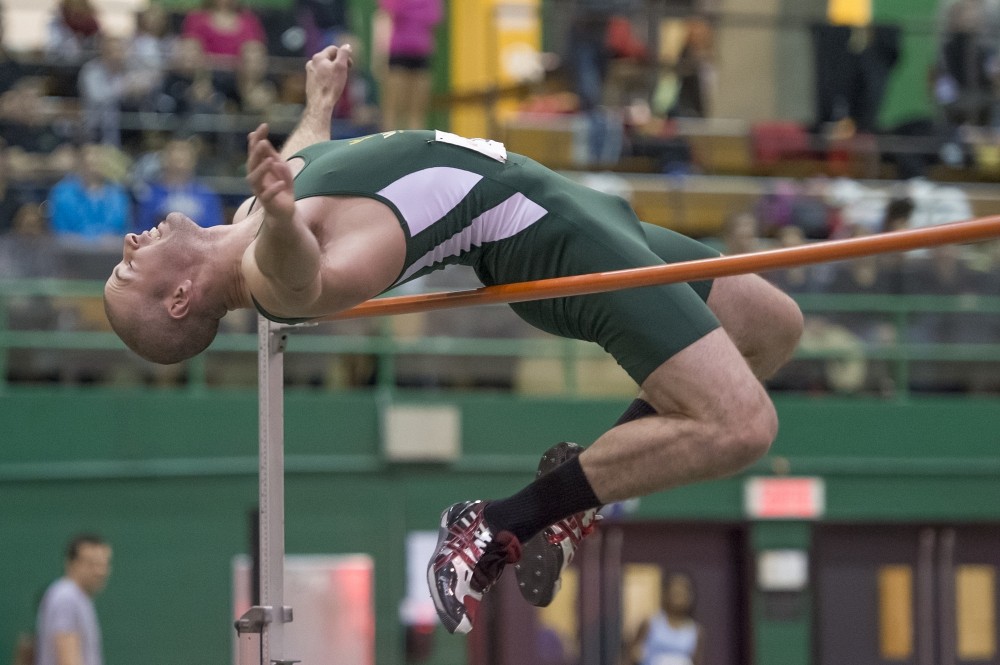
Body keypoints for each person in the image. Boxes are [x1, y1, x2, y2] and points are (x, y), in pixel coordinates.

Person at [102, 44, 803, 634]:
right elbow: (300, 278)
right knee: (743, 425)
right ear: (179, 299)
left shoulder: (246, 219)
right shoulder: (267, 270)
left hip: (563, 202)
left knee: (772, 326)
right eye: (128, 268)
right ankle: (501, 521)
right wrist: (284, 219)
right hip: (550, 239)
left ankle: (577, 493)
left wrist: (318, 104)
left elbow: (303, 164)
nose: (131, 243)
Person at [35, 534, 112, 665]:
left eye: (104, 564)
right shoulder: (67, 598)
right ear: (71, 564)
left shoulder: (78, 598)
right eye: (92, 564)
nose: (100, 572)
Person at [133, 136, 225, 233]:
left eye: (184, 154)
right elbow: (142, 231)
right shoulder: (149, 195)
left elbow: (215, 232)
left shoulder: (207, 196)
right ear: (164, 159)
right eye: (174, 153)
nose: (179, 158)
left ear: (193, 160)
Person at [376, 0, 443, 130]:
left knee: (417, 110)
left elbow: (434, 18)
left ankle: (415, 141)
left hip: (421, 54)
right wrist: (380, 57)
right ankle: (389, 140)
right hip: (398, 52)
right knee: (393, 107)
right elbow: (385, 17)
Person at [49, 143, 131, 242]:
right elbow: (60, 232)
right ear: (80, 163)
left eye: (97, 162)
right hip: (71, 250)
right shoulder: (62, 194)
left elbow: (124, 230)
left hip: (111, 249)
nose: (93, 167)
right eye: (89, 163)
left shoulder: (118, 195)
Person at [626, 571, 705, 665]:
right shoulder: (649, 624)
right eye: (675, 591)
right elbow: (630, 657)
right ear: (665, 593)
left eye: (683, 592)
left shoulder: (696, 631)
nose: (679, 595)